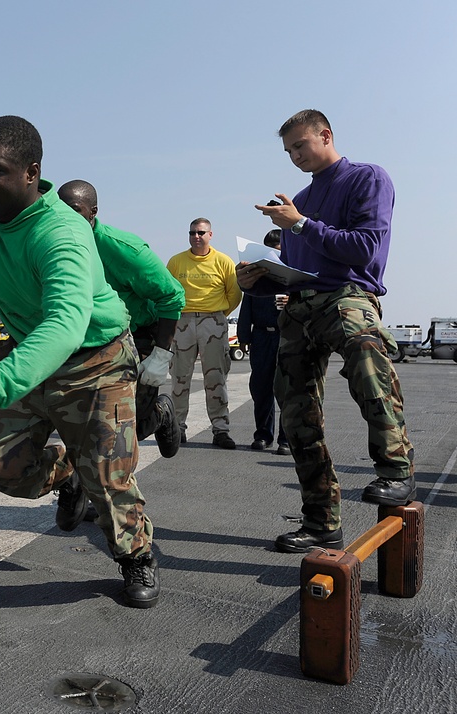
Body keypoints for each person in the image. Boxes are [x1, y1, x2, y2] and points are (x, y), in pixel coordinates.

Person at [0, 116, 159, 609]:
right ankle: (69, 472)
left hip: (94, 363)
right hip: (27, 351)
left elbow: (63, 327)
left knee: (110, 478)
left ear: (31, 172)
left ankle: (137, 554)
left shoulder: (61, 235)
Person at [243, 109, 416, 553]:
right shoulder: (299, 197)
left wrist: (299, 222)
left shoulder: (366, 178)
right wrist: (259, 280)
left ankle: (396, 469)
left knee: (364, 351)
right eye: (288, 151)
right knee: (297, 413)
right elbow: (300, 269)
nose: (295, 155)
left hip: (347, 295)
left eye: (301, 145)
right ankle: (321, 521)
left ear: (326, 135)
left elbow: (364, 249)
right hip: (300, 306)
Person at [56, 180, 185, 458]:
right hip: (91, 341)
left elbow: (172, 296)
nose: (66, 217)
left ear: (93, 212)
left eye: (75, 210)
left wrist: (161, 355)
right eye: (60, 209)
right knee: (91, 426)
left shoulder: (125, 250)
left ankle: (160, 413)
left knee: (129, 431)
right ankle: (79, 495)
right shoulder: (54, 245)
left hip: (141, 336)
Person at [166, 219, 242, 449]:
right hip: (184, 321)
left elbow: (234, 293)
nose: (196, 236)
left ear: (210, 234)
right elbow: (169, 291)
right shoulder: (176, 261)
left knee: (216, 378)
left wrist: (217, 315)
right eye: (192, 233)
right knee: (180, 378)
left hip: (213, 320)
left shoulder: (223, 261)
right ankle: (177, 428)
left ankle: (220, 430)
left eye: (200, 232)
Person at [236, 230, 290, 455]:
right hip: (261, 337)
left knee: (286, 390)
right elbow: (246, 307)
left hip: (286, 337)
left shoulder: (292, 276)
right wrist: (243, 337)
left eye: (277, 250)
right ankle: (263, 435)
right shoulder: (255, 276)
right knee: (261, 388)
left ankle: (286, 440)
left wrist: (292, 300)